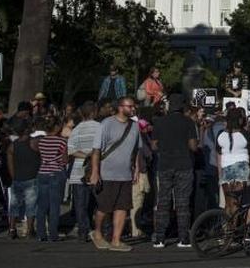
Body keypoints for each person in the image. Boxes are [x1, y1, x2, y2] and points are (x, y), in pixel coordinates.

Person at [88, 96, 141, 252]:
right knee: (104, 207)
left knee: (122, 207)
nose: (133, 109)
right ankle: (97, 233)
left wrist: (137, 168)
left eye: (133, 106)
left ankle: (116, 240)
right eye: (129, 106)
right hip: (107, 173)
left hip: (125, 173)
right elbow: (96, 150)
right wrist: (95, 172)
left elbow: (137, 150)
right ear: (120, 107)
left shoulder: (135, 126)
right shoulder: (107, 124)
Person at [150, 93, 198, 248]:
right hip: (184, 164)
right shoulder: (188, 122)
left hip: (164, 164)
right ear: (183, 106)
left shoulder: (160, 122)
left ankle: (160, 238)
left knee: (163, 201)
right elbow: (193, 146)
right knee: (183, 202)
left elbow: (154, 145)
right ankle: (183, 238)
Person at [66, 102, 100, 243]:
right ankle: (96, 229)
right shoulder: (100, 127)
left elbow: (71, 150)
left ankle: (83, 231)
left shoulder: (76, 129)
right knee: (97, 203)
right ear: (94, 112)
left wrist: (85, 155)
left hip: (78, 172)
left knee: (80, 204)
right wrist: (93, 155)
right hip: (96, 169)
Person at [34, 117, 68, 241]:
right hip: (55, 172)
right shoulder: (61, 141)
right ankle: (53, 234)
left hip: (42, 172)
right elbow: (64, 159)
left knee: (42, 205)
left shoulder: (41, 141)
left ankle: (40, 233)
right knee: (54, 205)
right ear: (57, 127)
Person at [217, 107, 250, 216]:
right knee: (237, 204)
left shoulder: (220, 135)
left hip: (225, 170)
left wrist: (219, 174)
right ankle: (234, 229)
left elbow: (218, 155)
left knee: (228, 204)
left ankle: (227, 230)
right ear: (240, 120)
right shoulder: (246, 135)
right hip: (241, 169)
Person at [7, 118, 40, 240]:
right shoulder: (33, 143)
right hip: (32, 178)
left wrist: (14, 177)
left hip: (17, 179)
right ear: (27, 129)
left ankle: (11, 229)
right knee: (31, 206)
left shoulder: (12, 146)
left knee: (14, 205)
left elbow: (10, 165)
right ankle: (30, 230)